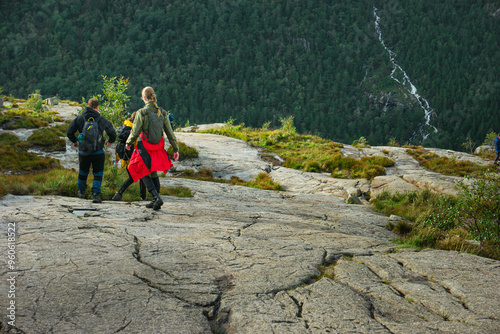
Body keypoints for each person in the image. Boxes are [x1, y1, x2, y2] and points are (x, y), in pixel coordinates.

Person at [125, 86, 179, 210]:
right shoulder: (162, 112)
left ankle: (156, 197)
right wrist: (176, 149)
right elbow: (170, 132)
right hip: (158, 146)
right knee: (152, 171)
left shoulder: (141, 113)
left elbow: (135, 131)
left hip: (145, 146)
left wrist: (128, 143)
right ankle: (156, 200)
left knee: (139, 169)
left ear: (144, 98)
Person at [67, 98, 116, 203]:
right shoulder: (101, 119)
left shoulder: (80, 119)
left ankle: (81, 192)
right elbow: (112, 133)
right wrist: (110, 141)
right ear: (97, 107)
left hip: (83, 151)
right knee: (98, 173)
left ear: (87, 106)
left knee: (83, 171)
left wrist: (75, 141)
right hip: (97, 151)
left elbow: (69, 132)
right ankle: (95, 194)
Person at [111, 112, 147, 201]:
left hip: (125, 158)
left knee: (136, 176)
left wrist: (117, 158)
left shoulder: (124, 126)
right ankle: (120, 193)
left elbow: (119, 143)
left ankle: (120, 194)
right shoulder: (134, 129)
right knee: (138, 176)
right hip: (133, 157)